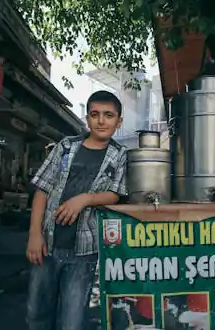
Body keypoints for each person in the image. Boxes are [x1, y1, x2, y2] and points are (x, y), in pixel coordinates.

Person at [26, 90, 128, 330]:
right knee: (36, 314)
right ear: (87, 119)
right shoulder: (65, 147)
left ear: (119, 122)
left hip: (83, 252)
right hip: (47, 246)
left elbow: (115, 195)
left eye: (108, 115)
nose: (101, 121)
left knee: (71, 322)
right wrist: (34, 234)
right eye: (95, 114)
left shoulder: (120, 155)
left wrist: (84, 199)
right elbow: (42, 189)